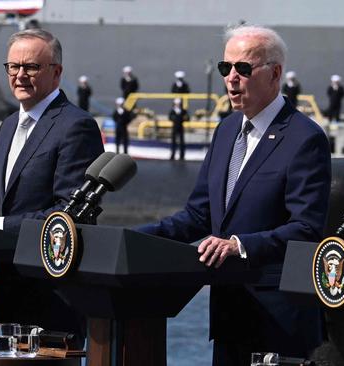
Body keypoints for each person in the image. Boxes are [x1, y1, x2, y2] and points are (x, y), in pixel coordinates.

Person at [137, 25, 331, 365]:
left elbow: (308, 228)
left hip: (280, 321)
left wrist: (239, 245)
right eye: (226, 68)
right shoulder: (227, 130)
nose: (232, 78)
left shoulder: (304, 138)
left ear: (275, 73)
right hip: (230, 316)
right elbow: (199, 215)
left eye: (243, 68)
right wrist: (133, 239)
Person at [0, 29, 103, 339]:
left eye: (31, 67)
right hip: (11, 299)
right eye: (13, 67)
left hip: (53, 298)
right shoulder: (9, 125)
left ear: (57, 72)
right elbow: (1, 199)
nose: (20, 75)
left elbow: (70, 214)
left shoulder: (76, 126)